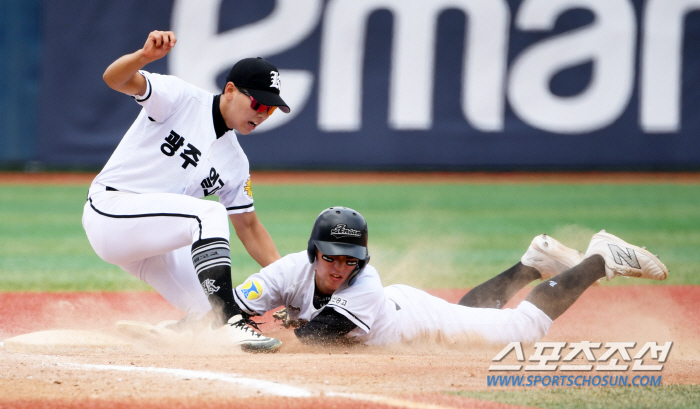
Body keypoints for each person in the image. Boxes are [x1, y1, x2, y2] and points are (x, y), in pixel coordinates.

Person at [82, 30, 290, 352]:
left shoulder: (235, 162)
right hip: (110, 211)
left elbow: (249, 227)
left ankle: (178, 333)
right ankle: (230, 324)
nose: (262, 114)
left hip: (153, 242)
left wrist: (290, 283)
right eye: (258, 103)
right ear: (231, 90)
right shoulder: (179, 98)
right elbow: (114, 79)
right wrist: (143, 58)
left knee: (210, 306)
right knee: (209, 213)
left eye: (271, 109)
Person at [224, 206, 668, 348]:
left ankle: (600, 258)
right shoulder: (286, 271)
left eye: (351, 259)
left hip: (410, 317)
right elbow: (227, 308)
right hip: (405, 313)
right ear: (314, 252)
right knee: (465, 317)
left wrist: (259, 331)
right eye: (333, 258)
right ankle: (532, 264)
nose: (342, 268)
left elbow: (316, 338)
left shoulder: (366, 285)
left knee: (522, 331)